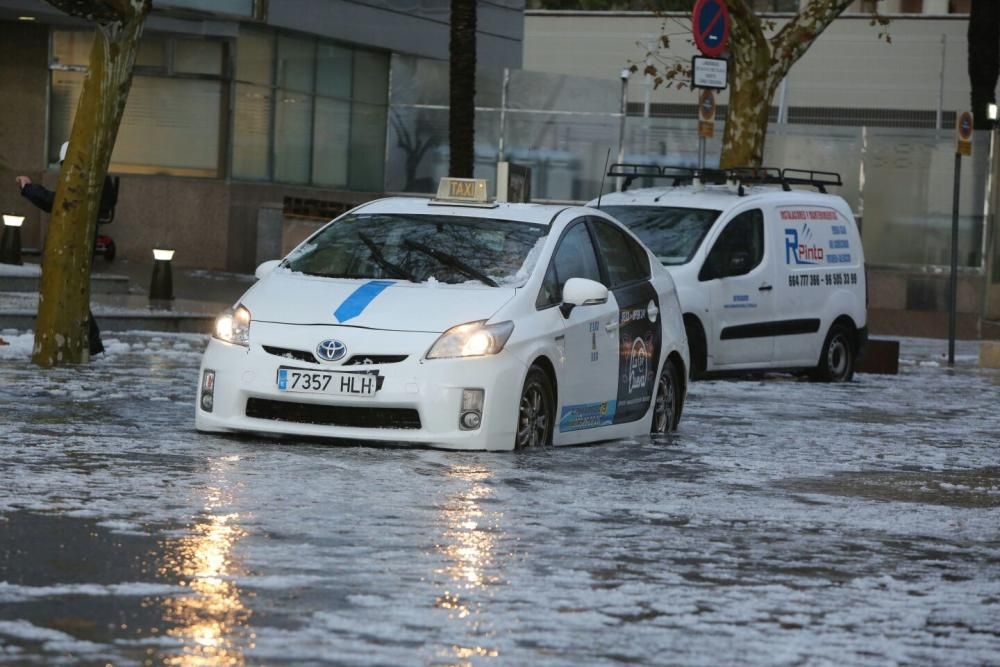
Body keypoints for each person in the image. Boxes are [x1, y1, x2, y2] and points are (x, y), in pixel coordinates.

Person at [15, 142, 114, 356]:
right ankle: (89, 342)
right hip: (79, 243)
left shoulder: (84, 180)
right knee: (71, 289)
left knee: (68, 290)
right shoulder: (96, 179)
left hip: (73, 245)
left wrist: (28, 189)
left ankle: (92, 341)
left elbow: (57, 202)